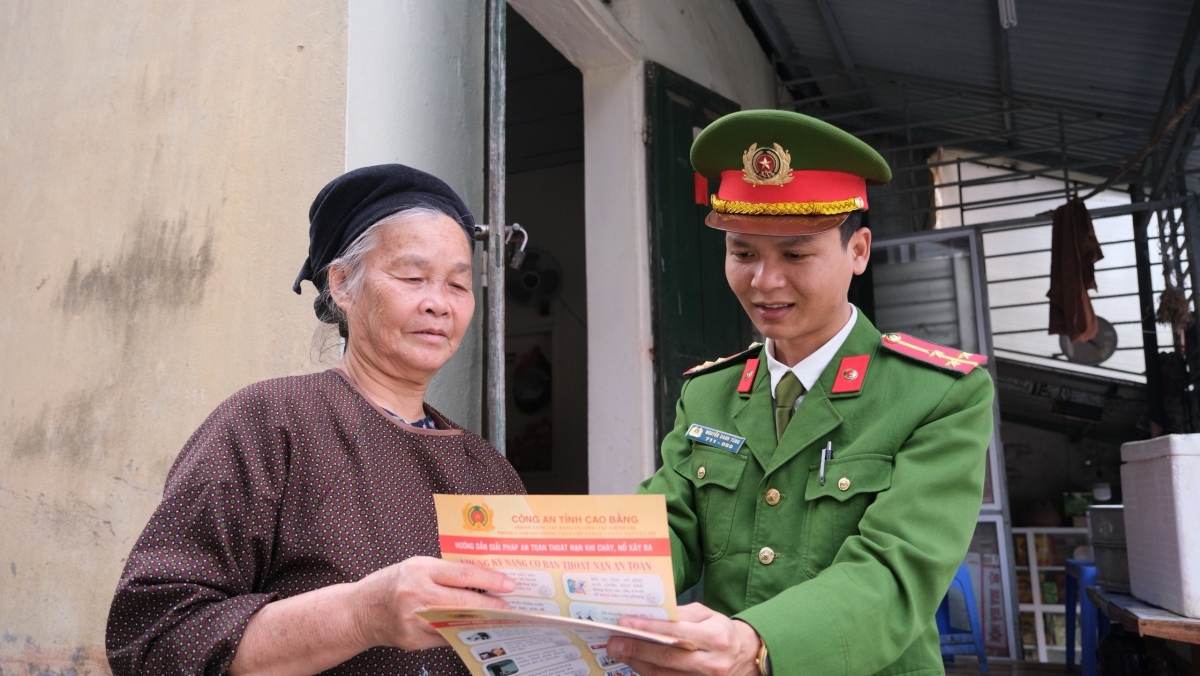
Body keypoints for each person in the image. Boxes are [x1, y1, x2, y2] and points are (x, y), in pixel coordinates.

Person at [606, 110, 994, 676]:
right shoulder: (708, 394)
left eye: (795, 254)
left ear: (857, 251)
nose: (764, 281)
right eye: (742, 253)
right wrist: (568, 581)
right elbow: (666, 524)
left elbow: (896, 568)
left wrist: (760, 645)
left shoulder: (934, 395)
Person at [106, 164, 525, 675]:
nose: (438, 304)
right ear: (344, 284)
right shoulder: (268, 424)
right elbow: (151, 638)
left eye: (458, 285)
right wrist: (361, 615)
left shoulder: (488, 471)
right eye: (413, 277)